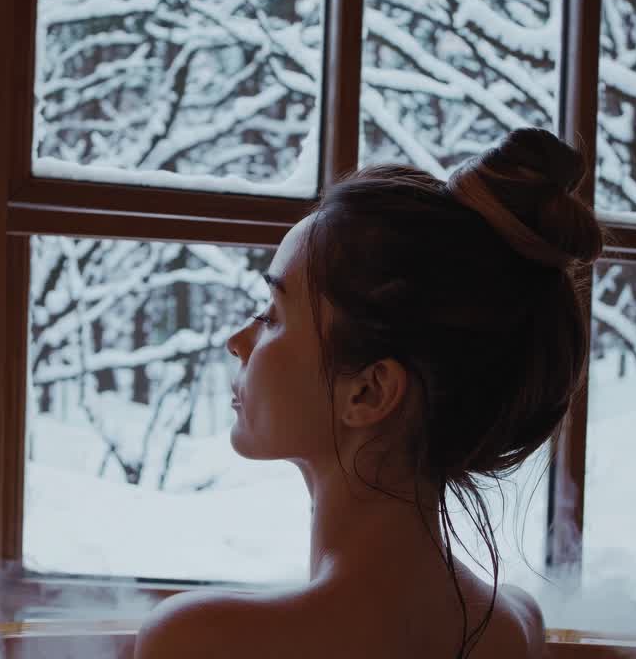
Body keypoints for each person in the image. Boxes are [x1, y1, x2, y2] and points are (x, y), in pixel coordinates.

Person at [134, 128, 603, 659]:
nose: (237, 341)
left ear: (368, 392)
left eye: (272, 316)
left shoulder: (204, 642)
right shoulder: (515, 626)